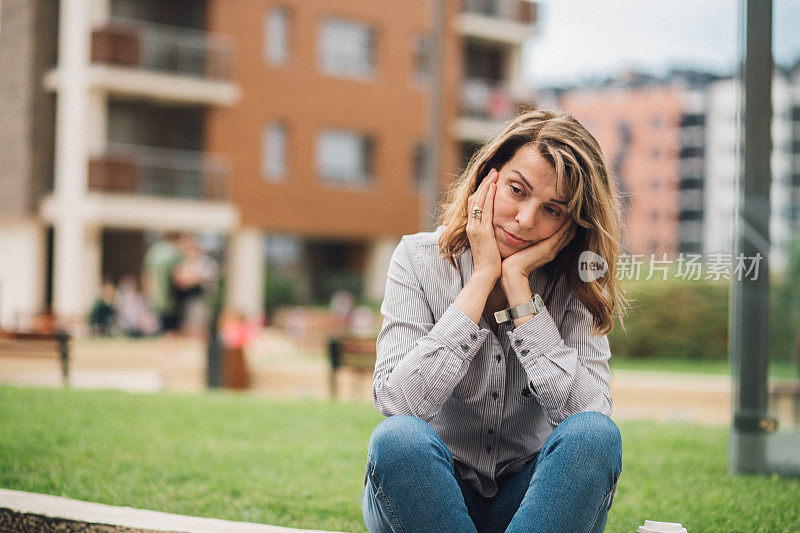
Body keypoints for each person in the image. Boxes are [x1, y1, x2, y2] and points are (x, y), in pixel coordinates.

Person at [362, 109, 627, 533]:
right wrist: (482, 279)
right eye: (517, 190)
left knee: (595, 437)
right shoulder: (416, 259)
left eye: (553, 211)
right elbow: (397, 403)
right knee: (399, 441)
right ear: (489, 178)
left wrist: (520, 292)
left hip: (533, 507)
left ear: (572, 225)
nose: (525, 220)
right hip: (429, 499)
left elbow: (589, 416)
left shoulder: (576, 282)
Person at [142, 232, 182, 334]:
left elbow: (146, 277)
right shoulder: (175, 251)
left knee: (156, 331)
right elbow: (179, 277)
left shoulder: (153, 251)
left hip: (155, 298)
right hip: (171, 301)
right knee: (170, 332)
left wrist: (147, 295)